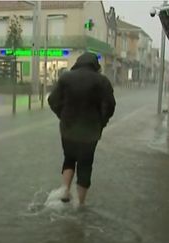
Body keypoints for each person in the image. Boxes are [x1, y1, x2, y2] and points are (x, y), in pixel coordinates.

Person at [48, 52, 116, 206]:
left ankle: (65, 190)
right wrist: (101, 122)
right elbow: (110, 106)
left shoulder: (66, 77)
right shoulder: (102, 81)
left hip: (68, 129)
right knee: (85, 164)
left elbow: (52, 100)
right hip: (90, 132)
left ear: (78, 63)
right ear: (95, 65)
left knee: (69, 158)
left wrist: (63, 116)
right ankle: (80, 204)